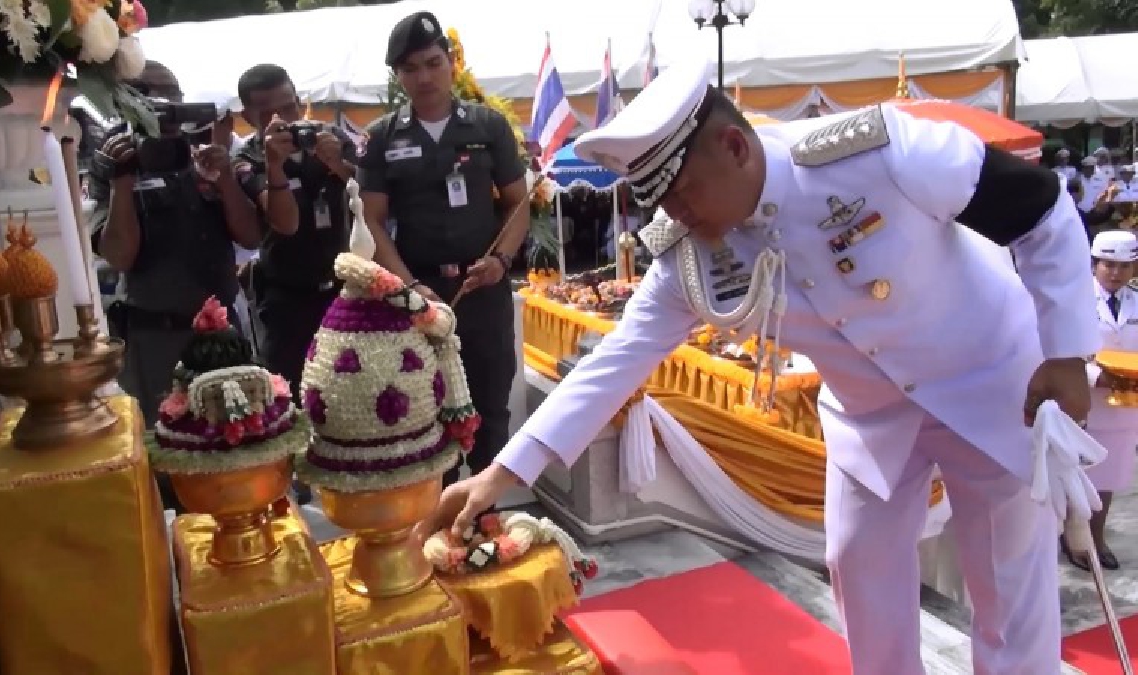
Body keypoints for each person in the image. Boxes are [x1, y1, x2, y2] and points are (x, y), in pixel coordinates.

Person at [422, 55, 1099, 674]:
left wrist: (1068, 353)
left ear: (736, 146)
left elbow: (1038, 206)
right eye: (663, 203)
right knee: (858, 569)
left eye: (683, 192)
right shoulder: (691, 251)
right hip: (873, 416)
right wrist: (501, 472)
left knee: (1007, 588)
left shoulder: (877, 154)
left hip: (989, 381)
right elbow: (622, 356)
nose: (678, 215)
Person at [357, 11, 530, 485]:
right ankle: (437, 522)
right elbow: (370, 219)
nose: (424, 77)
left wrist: (501, 260)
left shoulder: (487, 126)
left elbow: (518, 204)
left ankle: (482, 522)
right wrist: (408, 287)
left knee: (491, 405)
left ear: (452, 63)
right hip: (420, 295)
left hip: (483, 288)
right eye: (410, 69)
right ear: (397, 76)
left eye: (433, 63)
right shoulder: (381, 138)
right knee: (428, 412)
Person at [89, 61, 261, 428]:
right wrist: (123, 182)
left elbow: (250, 236)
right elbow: (119, 255)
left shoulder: (204, 151)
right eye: (147, 95)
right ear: (125, 103)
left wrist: (226, 181)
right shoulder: (112, 159)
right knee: (167, 446)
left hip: (222, 335)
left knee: (238, 438)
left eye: (171, 96)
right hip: (155, 339)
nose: (162, 104)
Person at [233, 64, 357, 397]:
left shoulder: (328, 136)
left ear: (300, 102)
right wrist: (275, 165)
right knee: (289, 397)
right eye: (268, 113)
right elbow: (285, 222)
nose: (282, 120)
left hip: (342, 290)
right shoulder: (248, 158)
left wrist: (337, 164)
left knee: (349, 391)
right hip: (286, 300)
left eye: (288, 107)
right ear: (247, 116)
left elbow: (371, 195)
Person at [1067, 230, 1138, 571]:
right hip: (1083, 398)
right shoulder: (1074, 299)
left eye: (1124, 266)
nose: (1115, 273)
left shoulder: (1137, 300)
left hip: (1125, 405)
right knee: (1076, 473)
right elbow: (1063, 347)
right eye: (1108, 264)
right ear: (1094, 264)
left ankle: (1096, 538)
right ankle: (1074, 540)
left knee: (1110, 475)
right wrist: (1098, 376)